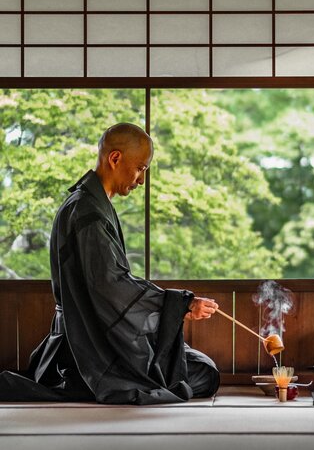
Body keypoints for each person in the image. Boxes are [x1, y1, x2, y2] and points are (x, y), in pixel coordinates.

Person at [0, 123, 219, 405]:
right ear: (114, 158)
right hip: (88, 347)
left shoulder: (89, 204)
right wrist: (178, 303)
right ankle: (87, 384)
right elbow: (111, 285)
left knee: (193, 363)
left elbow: (111, 282)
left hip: (93, 336)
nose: (141, 180)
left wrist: (175, 305)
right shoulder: (86, 211)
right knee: (204, 373)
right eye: (140, 168)